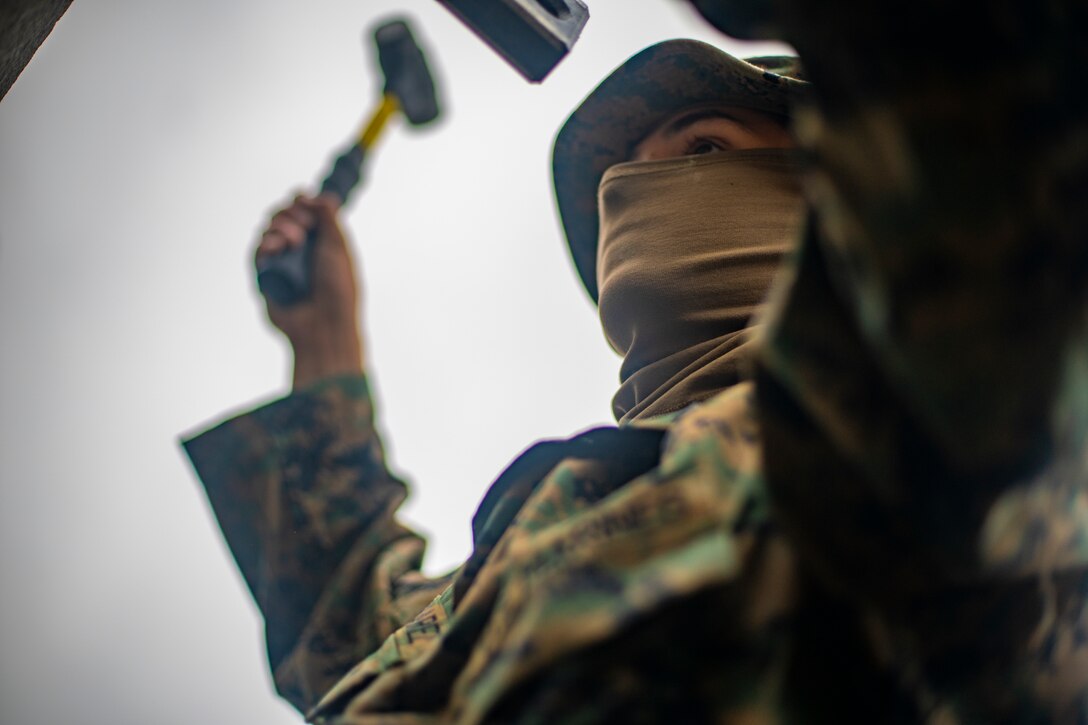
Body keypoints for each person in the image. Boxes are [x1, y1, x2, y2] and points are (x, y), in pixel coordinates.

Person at [183, 40, 809, 722]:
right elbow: (349, 635)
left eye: (703, 149)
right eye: (613, 196)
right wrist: (324, 340)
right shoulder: (572, 513)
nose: (632, 199)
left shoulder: (882, 425)